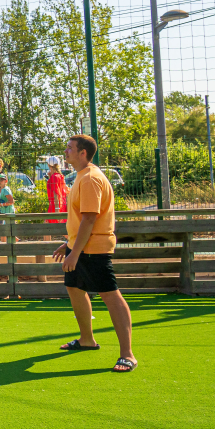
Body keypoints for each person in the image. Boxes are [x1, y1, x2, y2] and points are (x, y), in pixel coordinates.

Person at [52, 134, 137, 372]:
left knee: (111, 296)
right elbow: (82, 219)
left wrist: (75, 253)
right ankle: (87, 340)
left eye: (69, 148)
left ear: (83, 153)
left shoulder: (90, 179)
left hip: (93, 250)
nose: (65, 152)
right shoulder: (81, 176)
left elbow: (90, 219)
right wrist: (69, 245)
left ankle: (127, 354)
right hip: (80, 247)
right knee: (75, 288)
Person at [46, 155, 68, 224]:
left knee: (48, 228)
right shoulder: (60, 176)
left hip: (55, 206)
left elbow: (56, 193)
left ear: (49, 165)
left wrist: (57, 209)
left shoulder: (54, 177)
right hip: (62, 205)